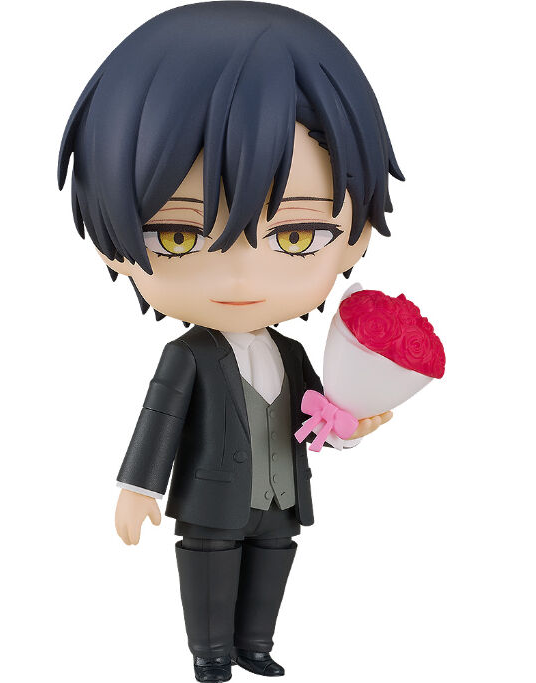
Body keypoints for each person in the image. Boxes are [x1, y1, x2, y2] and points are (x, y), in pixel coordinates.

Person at [58, 3, 402, 680]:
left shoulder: (294, 355)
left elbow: (314, 417)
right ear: (114, 243)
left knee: (273, 562)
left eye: (296, 235)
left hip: (280, 500)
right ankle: (211, 654)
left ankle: (255, 644)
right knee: (210, 570)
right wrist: (137, 487)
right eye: (178, 236)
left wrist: (348, 428)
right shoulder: (186, 357)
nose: (242, 276)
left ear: (355, 236)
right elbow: (159, 420)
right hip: (212, 502)